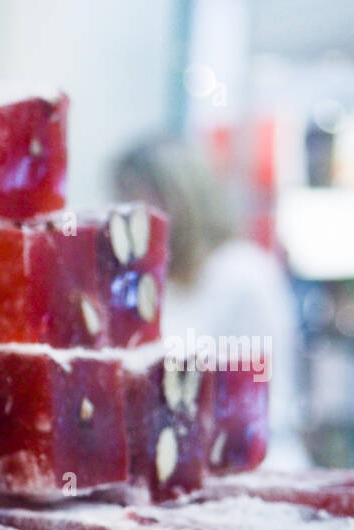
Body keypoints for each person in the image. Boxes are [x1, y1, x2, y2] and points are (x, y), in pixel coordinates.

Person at [114, 137, 308, 470]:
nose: (128, 214)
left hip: (247, 472)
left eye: (139, 197)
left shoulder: (244, 274)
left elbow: (268, 398)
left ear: (181, 197)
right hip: (174, 474)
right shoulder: (146, 283)